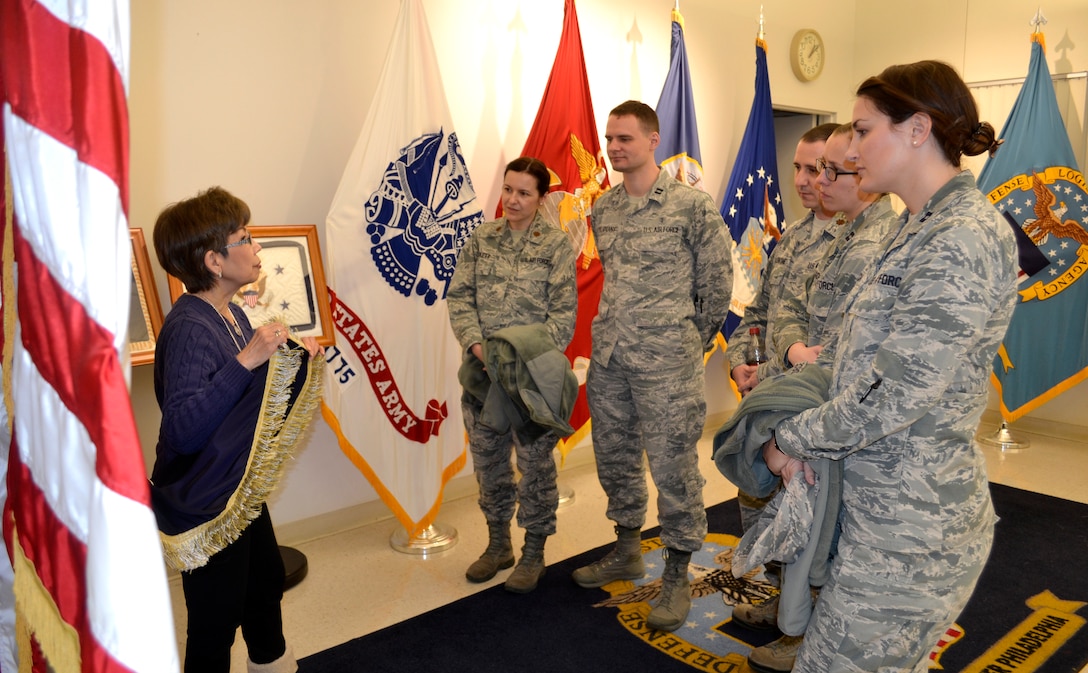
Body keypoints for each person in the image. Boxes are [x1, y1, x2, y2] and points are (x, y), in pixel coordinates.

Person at [763, 61, 1016, 672]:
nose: (849, 149)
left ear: (917, 128)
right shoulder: (915, 226)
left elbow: (898, 393)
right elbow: (857, 363)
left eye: (861, 129)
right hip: (880, 509)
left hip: (913, 530)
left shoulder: (960, 235)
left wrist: (790, 437)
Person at [728, 123, 899, 673]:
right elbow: (786, 314)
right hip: (789, 390)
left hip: (827, 411)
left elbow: (856, 347)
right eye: (808, 169)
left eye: (826, 169)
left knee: (826, 528)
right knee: (789, 518)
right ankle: (791, 608)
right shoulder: (820, 236)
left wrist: (800, 368)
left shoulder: (878, 242)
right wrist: (766, 358)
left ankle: (810, 633)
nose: (814, 181)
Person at [571, 100, 733, 632]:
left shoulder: (691, 206)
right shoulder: (606, 209)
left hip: (667, 364)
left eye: (625, 138)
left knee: (674, 469)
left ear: (652, 140)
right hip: (613, 358)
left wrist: (687, 341)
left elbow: (716, 286)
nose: (615, 147)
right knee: (615, 458)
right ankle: (626, 549)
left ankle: (679, 571)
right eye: (610, 138)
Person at [150, 186, 324, 673]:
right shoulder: (189, 327)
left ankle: (271, 663)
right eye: (245, 238)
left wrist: (292, 359)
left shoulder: (231, 311)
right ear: (213, 261)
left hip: (236, 489)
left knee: (264, 583)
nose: (257, 247)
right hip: (208, 501)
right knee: (213, 622)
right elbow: (183, 429)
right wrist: (249, 359)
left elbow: (248, 396)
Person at [446, 156, 578, 594]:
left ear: (540, 198)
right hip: (482, 378)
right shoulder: (482, 239)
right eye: (508, 190)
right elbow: (460, 297)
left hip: (530, 385)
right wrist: (478, 346)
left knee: (536, 468)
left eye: (524, 192)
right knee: (488, 465)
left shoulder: (555, 246)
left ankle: (534, 551)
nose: (513, 200)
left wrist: (521, 360)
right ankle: (498, 544)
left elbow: (563, 316)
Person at [725, 124, 839, 545]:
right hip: (765, 398)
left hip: (805, 408)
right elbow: (757, 312)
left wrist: (767, 371)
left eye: (816, 168)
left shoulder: (854, 242)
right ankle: (770, 593)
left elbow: (826, 343)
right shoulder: (791, 238)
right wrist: (739, 361)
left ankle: (792, 605)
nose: (803, 181)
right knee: (758, 509)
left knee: (804, 528)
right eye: (797, 168)